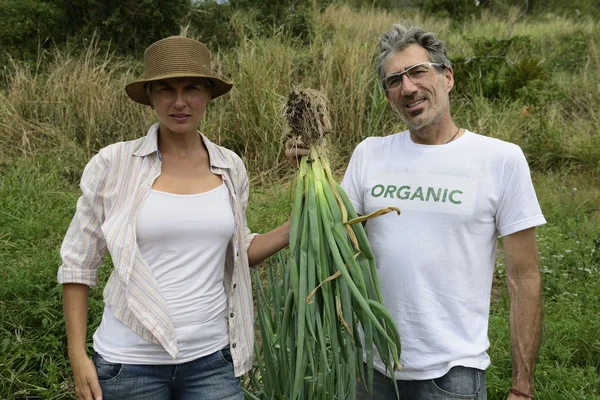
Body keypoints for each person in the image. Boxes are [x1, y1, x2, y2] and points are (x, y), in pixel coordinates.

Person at [286, 23, 544, 400]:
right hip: (372, 366)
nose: (407, 87)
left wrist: (522, 387)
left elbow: (525, 277)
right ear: (388, 96)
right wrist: (311, 177)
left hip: (453, 374)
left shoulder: (500, 159)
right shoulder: (369, 152)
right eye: (394, 80)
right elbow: (333, 239)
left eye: (417, 72)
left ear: (447, 77)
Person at [58, 36, 290, 400]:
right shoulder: (114, 164)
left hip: (212, 360)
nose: (179, 102)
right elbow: (78, 262)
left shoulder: (230, 167)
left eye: (192, 88)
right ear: (150, 94)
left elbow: (237, 249)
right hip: (129, 364)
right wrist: (77, 354)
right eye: (166, 89)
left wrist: (296, 227)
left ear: (209, 95)